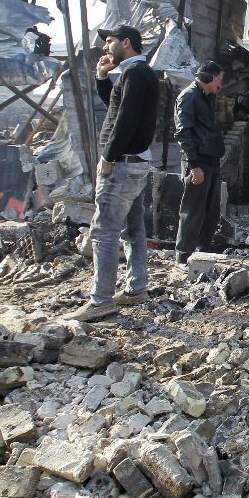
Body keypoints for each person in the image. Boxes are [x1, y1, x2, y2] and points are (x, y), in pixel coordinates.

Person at [64, 26, 158, 321]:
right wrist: (103, 78)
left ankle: (101, 300)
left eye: (110, 42)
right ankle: (136, 289)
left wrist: (108, 155)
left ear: (126, 43)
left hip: (122, 164)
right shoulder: (138, 74)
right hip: (136, 162)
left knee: (104, 232)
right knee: (132, 228)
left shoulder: (135, 74)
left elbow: (126, 120)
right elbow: (117, 109)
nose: (106, 48)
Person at [173, 61, 226, 268]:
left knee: (211, 210)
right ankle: (183, 255)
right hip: (198, 161)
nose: (220, 85)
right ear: (208, 77)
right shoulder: (189, 97)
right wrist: (194, 165)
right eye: (219, 80)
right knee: (193, 209)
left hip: (211, 160)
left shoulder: (207, 97)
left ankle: (204, 251)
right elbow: (183, 132)